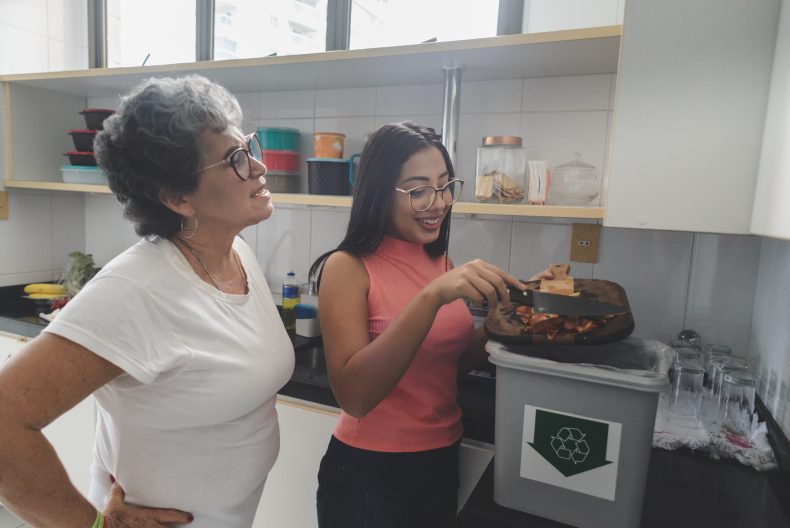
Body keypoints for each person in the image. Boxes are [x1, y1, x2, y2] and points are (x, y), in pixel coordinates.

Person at [0, 75, 294, 527]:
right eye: (236, 160)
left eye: (249, 147)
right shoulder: (138, 289)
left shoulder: (238, 256)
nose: (258, 167)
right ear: (177, 197)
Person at [309, 122, 550, 527]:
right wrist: (432, 297)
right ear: (378, 192)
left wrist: (501, 320)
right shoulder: (347, 267)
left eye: (444, 186)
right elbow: (354, 397)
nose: (437, 203)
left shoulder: (438, 261)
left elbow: (443, 368)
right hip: (370, 475)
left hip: (439, 461)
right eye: (418, 190)